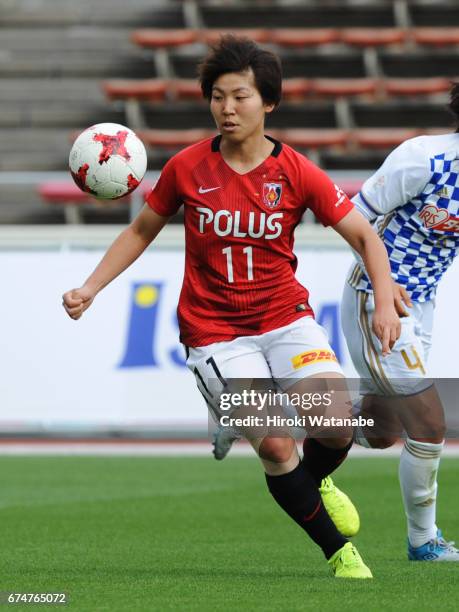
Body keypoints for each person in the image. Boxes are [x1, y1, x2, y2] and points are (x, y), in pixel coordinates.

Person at [62, 36, 400, 578]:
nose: (226, 108)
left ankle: (317, 480)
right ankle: (339, 553)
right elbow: (140, 231)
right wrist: (90, 287)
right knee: (274, 442)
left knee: (335, 425)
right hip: (215, 331)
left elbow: (366, 238)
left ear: (268, 103)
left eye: (240, 96)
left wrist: (384, 302)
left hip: (285, 318)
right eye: (217, 97)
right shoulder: (187, 168)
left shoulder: (296, 172)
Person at [340, 82, 459, 562]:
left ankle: (256, 418)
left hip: (421, 306)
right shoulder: (424, 159)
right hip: (376, 300)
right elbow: (353, 218)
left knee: (380, 429)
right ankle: (423, 541)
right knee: (429, 423)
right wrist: (384, 290)